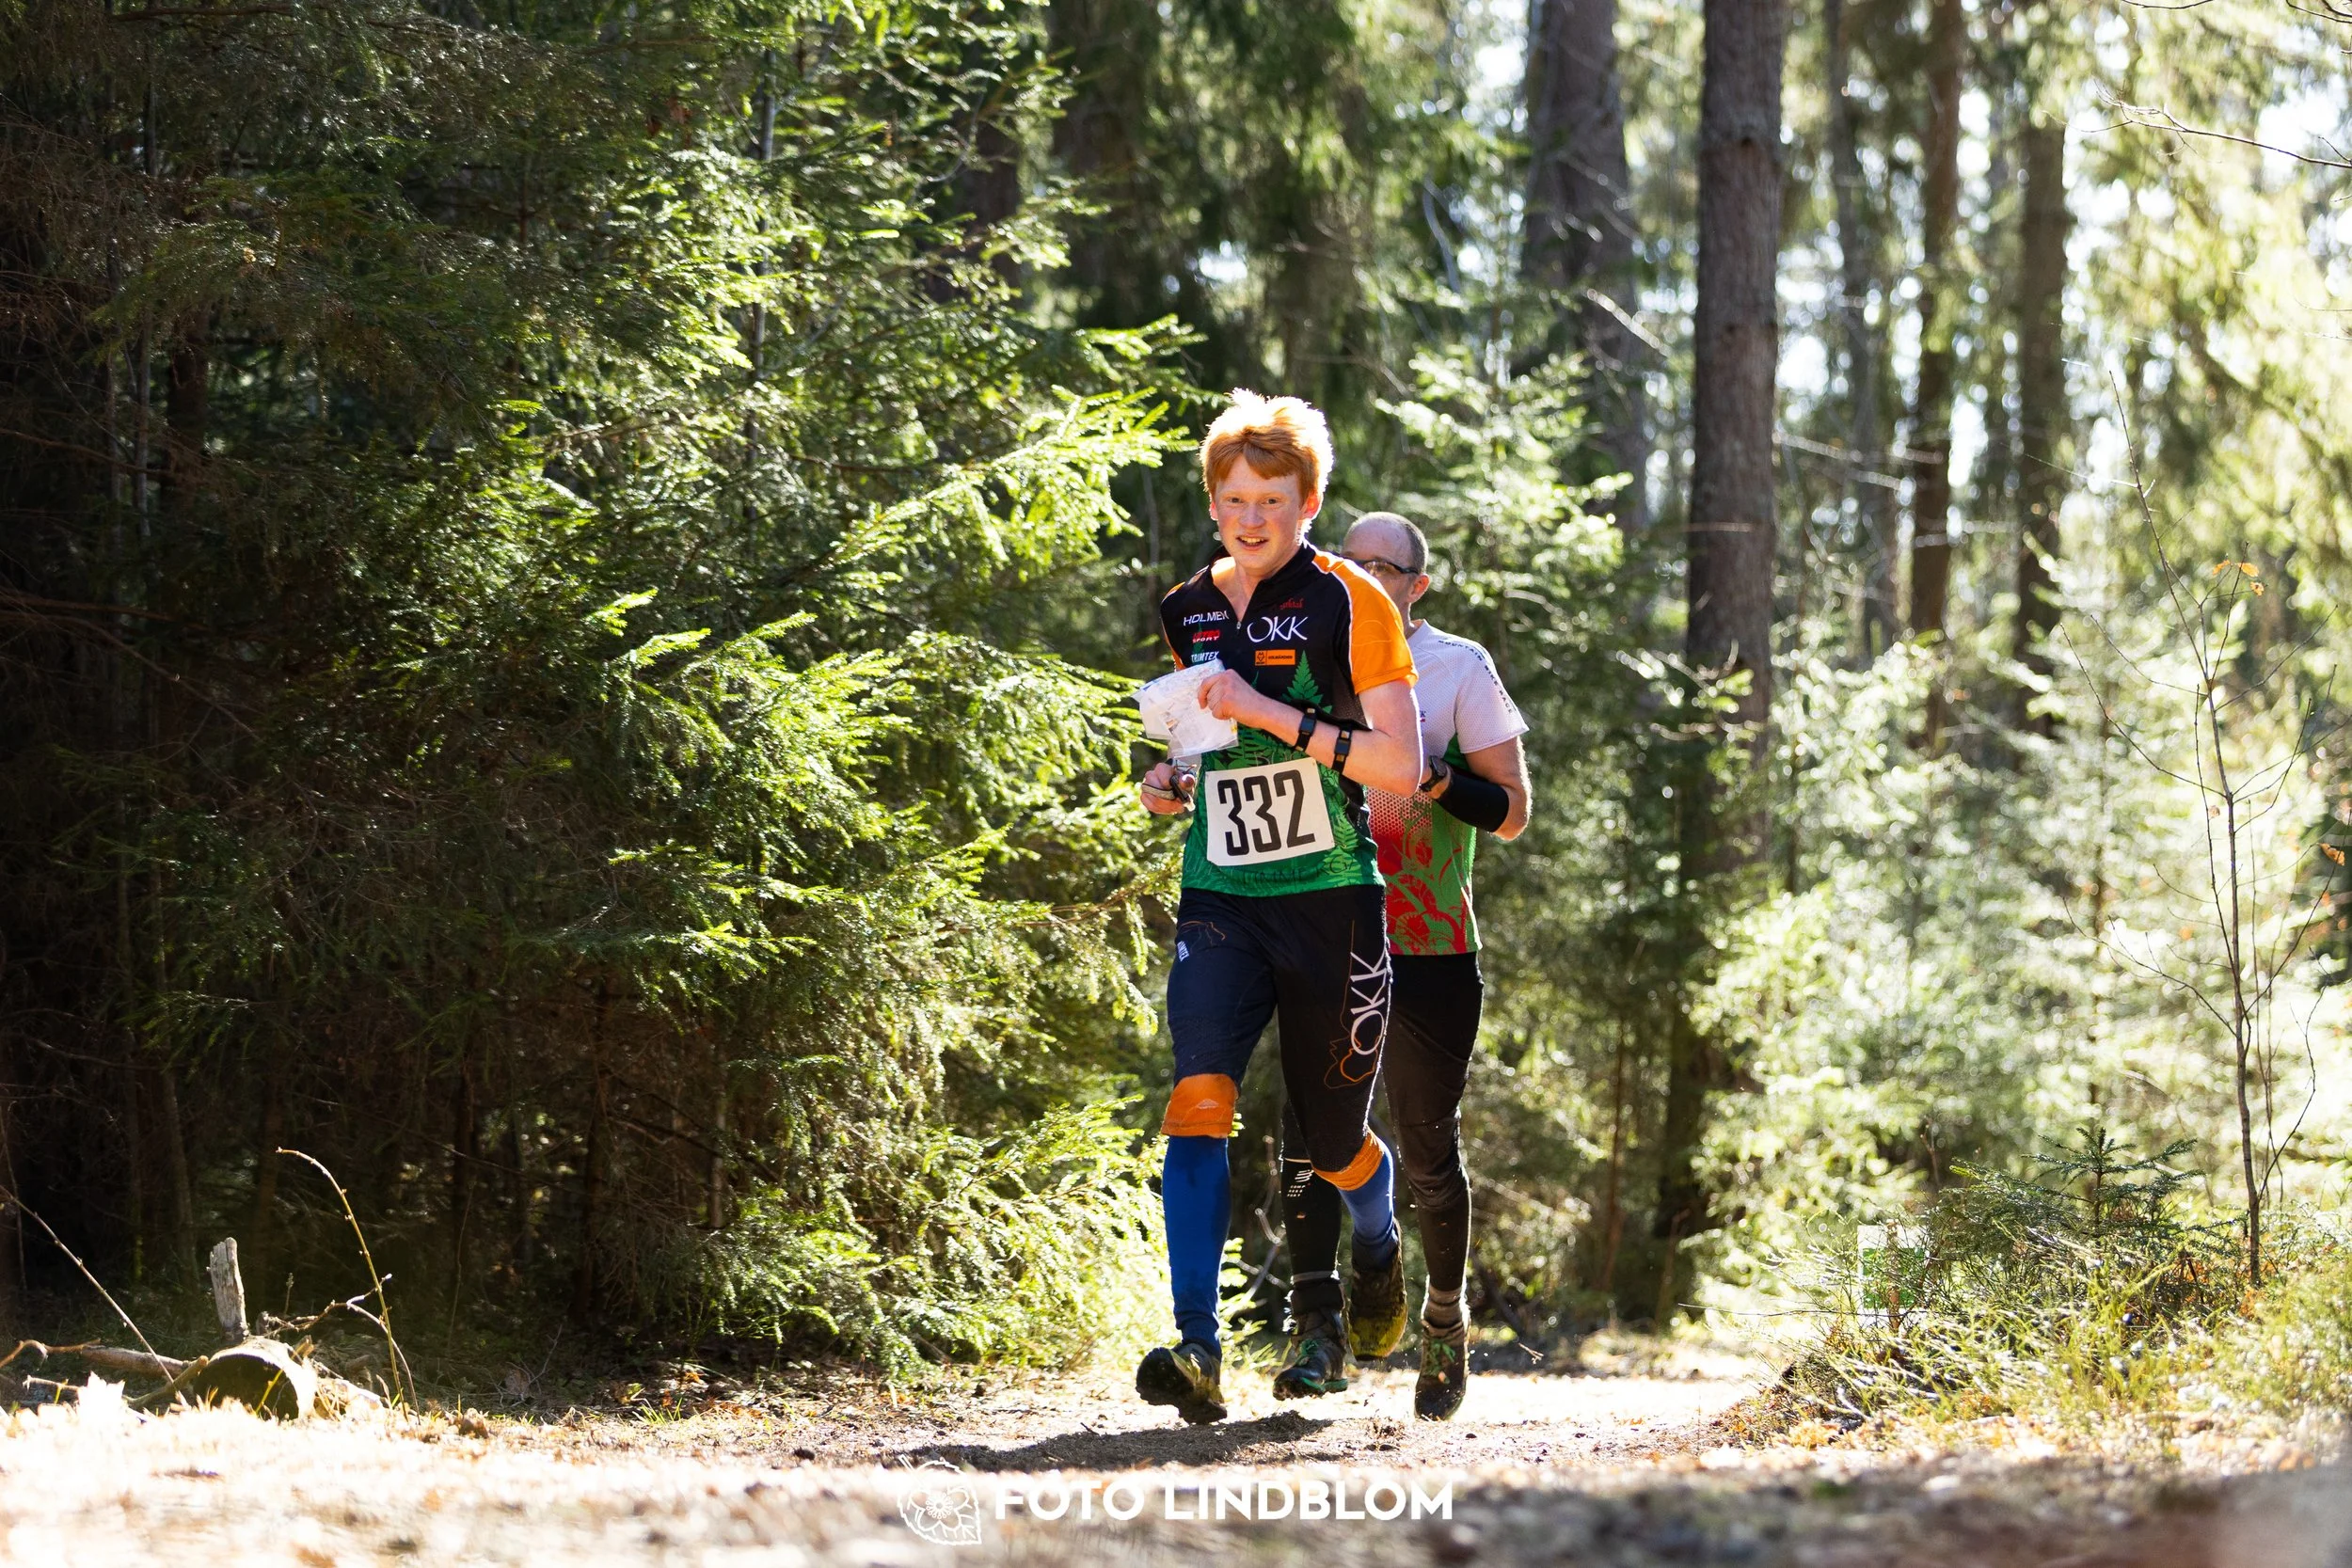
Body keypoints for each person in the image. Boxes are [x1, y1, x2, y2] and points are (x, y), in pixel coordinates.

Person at [1133, 393, 1424, 1425]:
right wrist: (1170, 780)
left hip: (1330, 900)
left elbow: (1402, 763)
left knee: (1335, 1138)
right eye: (1234, 499)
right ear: (1213, 502)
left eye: (1272, 499)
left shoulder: (1352, 601)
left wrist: (1273, 712)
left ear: (1308, 503)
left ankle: (1377, 1241)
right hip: (1221, 892)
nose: (1251, 518)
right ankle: (1197, 1344)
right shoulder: (1188, 607)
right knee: (1196, 1097)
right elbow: (1202, 743)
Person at [1269, 511, 1530, 1422]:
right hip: (1324, 935)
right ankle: (1317, 1332)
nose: (1361, 574)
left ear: (1418, 585)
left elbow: (1512, 812)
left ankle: (1443, 1320)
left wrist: (1435, 778)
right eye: (1348, 559)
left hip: (1431, 944)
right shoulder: (1301, 654)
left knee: (1426, 1145)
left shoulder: (1458, 667)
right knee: (1308, 1133)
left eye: (1383, 564)